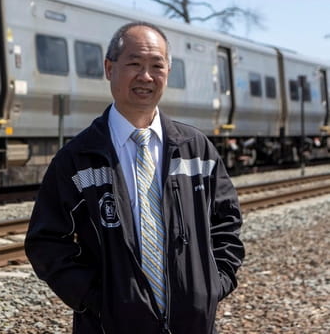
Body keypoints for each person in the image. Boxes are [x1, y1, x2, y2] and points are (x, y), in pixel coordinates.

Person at [24, 22, 245, 334]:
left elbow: (227, 224)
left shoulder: (196, 150)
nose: (146, 76)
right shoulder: (78, 157)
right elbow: (46, 241)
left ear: (168, 71)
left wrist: (211, 286)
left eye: (157, 65)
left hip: (191, 324)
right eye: (134, 64)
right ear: (109, 68)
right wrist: (97, 300)